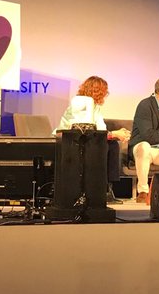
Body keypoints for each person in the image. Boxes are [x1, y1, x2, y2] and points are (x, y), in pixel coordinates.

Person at [55, 76, 130, 204]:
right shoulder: (81, 103)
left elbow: (99, 130)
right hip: (69, 142)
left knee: (112, 145)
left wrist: (114, 135)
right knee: (108, 145)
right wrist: (114, 134)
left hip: (83, 140)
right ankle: (102, 189)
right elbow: (85, 130)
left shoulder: (94, 107)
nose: (106, 95)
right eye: (104, 91)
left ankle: (107, 188)